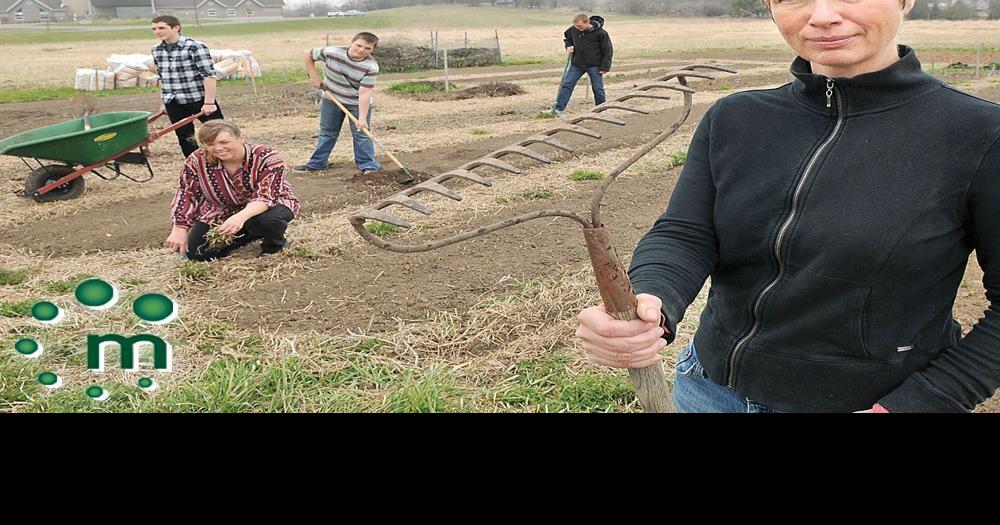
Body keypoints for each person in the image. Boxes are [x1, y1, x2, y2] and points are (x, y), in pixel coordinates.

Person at [575, 0, 1000, 413]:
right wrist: (652, 301)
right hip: (708, 390)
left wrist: (920, 404)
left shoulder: (980, 135)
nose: (823, 16)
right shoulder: (735, 118)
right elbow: (686, 233)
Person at [165, 120, 300, 260]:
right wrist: (179, 227)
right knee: (197, 254)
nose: (218, 148)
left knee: (266, 221)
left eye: (224, 142)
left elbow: (267, 197)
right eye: (210, 144)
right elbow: (187, 193)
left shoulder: (266, 156)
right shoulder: (197, 160)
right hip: (223, 209)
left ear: (241, 138)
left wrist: (240, 217)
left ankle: (273, 245)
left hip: (269, 206)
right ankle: (247, 234)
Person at [294, 32, 387, 179]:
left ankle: (368, 165)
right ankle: (317, 163)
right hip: (331, 99)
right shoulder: (333, 52)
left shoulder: (371, 67)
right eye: (359, 45)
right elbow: (308, 54)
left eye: (367, 48)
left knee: (361, 134)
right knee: (327, 132)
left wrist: (362, 118)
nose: (362, 50)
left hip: (356, 104)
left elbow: (364, 94)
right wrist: (314, 76)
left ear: (372, 50)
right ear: (352, 42)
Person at [150, 15, 224, 159]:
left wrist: (209, 103)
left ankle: (230, 161)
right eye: (154, 29)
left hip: (198, 98)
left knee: (219, 133)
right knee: (185, 138)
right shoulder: (156, 50)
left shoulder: (195, 47)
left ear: (176, 28)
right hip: (173, 101)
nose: (157, 32)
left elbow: (209, 75)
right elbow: (163, 77)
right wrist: (164, 103)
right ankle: (195, 166)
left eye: (161, 28)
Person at [546, 13, 613, 117]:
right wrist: (569, 46)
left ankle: (601, 110)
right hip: (577, 64)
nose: (577, 28)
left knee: (597, 88)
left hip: (594, 65)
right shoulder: (573, 30)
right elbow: (567, 37)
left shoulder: (601, 33)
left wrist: (605, 67)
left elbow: (608, 51)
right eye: (576, 26)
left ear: (587, 22)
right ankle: (558, 110)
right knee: (567, 85)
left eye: (580, 26)